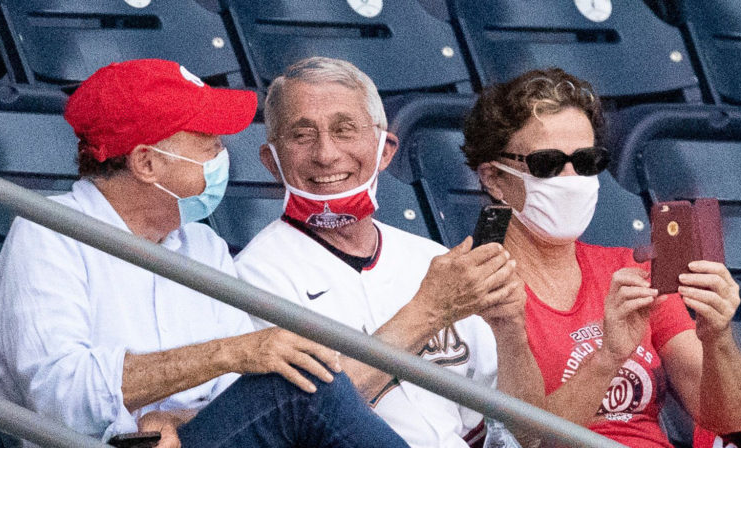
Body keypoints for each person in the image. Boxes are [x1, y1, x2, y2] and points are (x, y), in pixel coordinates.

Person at [0, 59, 407, 448]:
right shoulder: (49, 231)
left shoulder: (202, 245)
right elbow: (60, 397)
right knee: (304, 387)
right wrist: (229, 351)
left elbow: (236, 399)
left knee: (306, 388)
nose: (222, 153)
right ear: (147, 163)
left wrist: (175, 419)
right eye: (207, 140)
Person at [234, 57, 545, 448]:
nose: (326, 153)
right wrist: (431, 309)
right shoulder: (253, 277)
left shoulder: (428, 258)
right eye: (302, 135)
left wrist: (509, 330)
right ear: (272, 162)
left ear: (385, 150)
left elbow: (527, 433)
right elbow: (301, 421)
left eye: (345, 130)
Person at [461, 68, 741, 448]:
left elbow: (725, 416)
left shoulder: (630, 270)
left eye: (586, 161)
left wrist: (717, 334)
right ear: (494, 179)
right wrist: (607, 357)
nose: (571, 177)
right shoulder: (475, 287)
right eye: (547, 163)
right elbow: (526, 441)